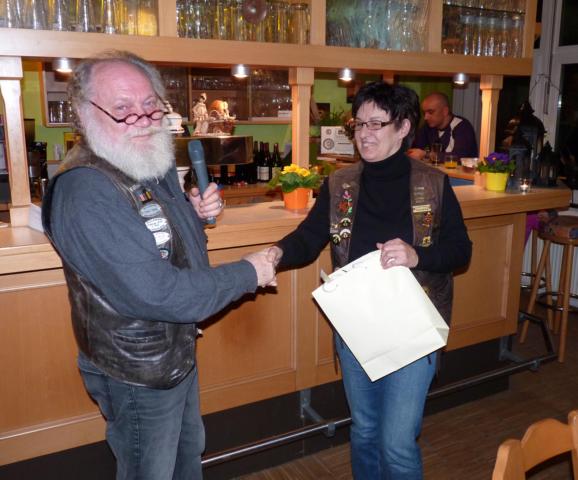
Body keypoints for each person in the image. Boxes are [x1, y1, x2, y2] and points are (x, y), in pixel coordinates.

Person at [41, 51, 276, 480]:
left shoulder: (140, 158)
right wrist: (249, 272)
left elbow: (160, 239)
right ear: (83, 113)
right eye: (123, 109)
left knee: (186, 459)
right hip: (137, 369)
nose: (143, 119)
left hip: (170, 350)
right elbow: (157, 292)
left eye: (150, 105)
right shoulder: (86, 189)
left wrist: (192, 213)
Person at [267, 81, 472, 479]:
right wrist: (274, 254)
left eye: (377, 123)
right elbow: (309, 238)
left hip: (413, 326)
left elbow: (461, 251)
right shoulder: (340, 183)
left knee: (396, 443)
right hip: (356, 324)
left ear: (404, 127)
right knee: (364, 431)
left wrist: (417, 256)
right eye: (359, 124)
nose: (364, 133)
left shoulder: (433, 183)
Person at [407, 91, 478, 161]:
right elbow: (416, 149)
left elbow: (459, 157)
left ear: (445, 111)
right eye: (424, 113)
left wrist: (426, 155)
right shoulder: (428, 127)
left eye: (430, 112)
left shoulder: (462, 127)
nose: (426, 117)